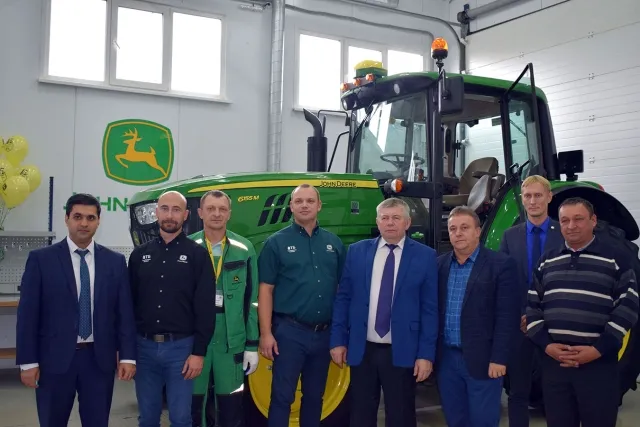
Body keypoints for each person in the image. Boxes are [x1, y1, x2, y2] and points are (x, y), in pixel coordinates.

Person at [15, 193, 137, 427]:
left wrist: (128, 356)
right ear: (67, 219)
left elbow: (124, 314)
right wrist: (28, 362)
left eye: (90, 218)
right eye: (78, 217)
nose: (84, 223)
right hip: (54, 361)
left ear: (98, 221)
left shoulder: (115, 262)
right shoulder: (41, 260)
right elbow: (28, 315)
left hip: (98, 361)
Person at [526, 197, 639, 427]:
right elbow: (532, 306)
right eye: (565, 220)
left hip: (597, 366)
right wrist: (547, 346)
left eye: (578, 219)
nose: (571, 226)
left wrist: (598, 349)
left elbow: (628, 308)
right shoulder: (547, 261)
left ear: (593, 220)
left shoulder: (616, 259)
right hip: (555, 365)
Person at [329, 197, 438, 427]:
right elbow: (343, 298)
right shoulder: (357, 252)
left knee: (401, 416)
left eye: (396, 218)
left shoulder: (426, 256)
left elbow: (429, 310)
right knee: (361, 415)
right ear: (377, 222)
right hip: (362, 349)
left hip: (403, 349)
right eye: (385, 218)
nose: (390, 223)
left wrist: (426, 355)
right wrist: (338, 340)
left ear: (407, 223)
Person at [258, 184, 345, 427]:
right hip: (289, 333)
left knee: (315, 397)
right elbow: (265, 290)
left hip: (324, 333)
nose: (304, 205)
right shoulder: (275, 243)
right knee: (282, 397)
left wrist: (340, 333)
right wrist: (266, 333)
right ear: (291, 206)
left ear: (319, 205)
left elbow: (341, 290)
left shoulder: (334, 244)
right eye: (299, 201)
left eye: (310, 201)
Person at [128, 190, 216, 427]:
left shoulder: (198, 255)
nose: (170, 215)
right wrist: (125, 349)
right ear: (156, 213)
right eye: (165, 209)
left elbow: (206, 308)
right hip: (143, 349)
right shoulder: (139, 256)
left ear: (186, 215)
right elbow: (128, 306)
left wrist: (198, 353)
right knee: (147, 418)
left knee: (180, 418)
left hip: (182, 350)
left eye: (176, 210)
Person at [436, 205, 520, 427]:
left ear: (477, 231)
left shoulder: (501, 265)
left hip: (483, 359)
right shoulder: (439, 265)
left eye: (464, 228)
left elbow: (507, 317)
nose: (458, 233)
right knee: (455, 420)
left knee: (483, 421)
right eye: (453, 229)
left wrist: (499, 358)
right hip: (446, 359)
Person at [189, 190, 259, 427]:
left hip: (232, 339)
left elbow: (252, 300)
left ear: (229, 213)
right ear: (200, 213)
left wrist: (252, 345)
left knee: (231, 406)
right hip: (195, 340)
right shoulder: (188, 247)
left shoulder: (244, 248)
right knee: (193, 405)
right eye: (210, 209)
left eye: (222, 209)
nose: (216, 214)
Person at [499, 175, 563, 426]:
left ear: (549, 197)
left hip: (554, 326)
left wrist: (541, 317)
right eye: (528, 196)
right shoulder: (509, 236)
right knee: (517, 393)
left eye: (538, 195)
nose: (533, 201)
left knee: (557, 393)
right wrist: (522, 315)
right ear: (522, 200)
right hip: (521, 325)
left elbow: (567, 283)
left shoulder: (564, 233)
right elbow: (505, 283)